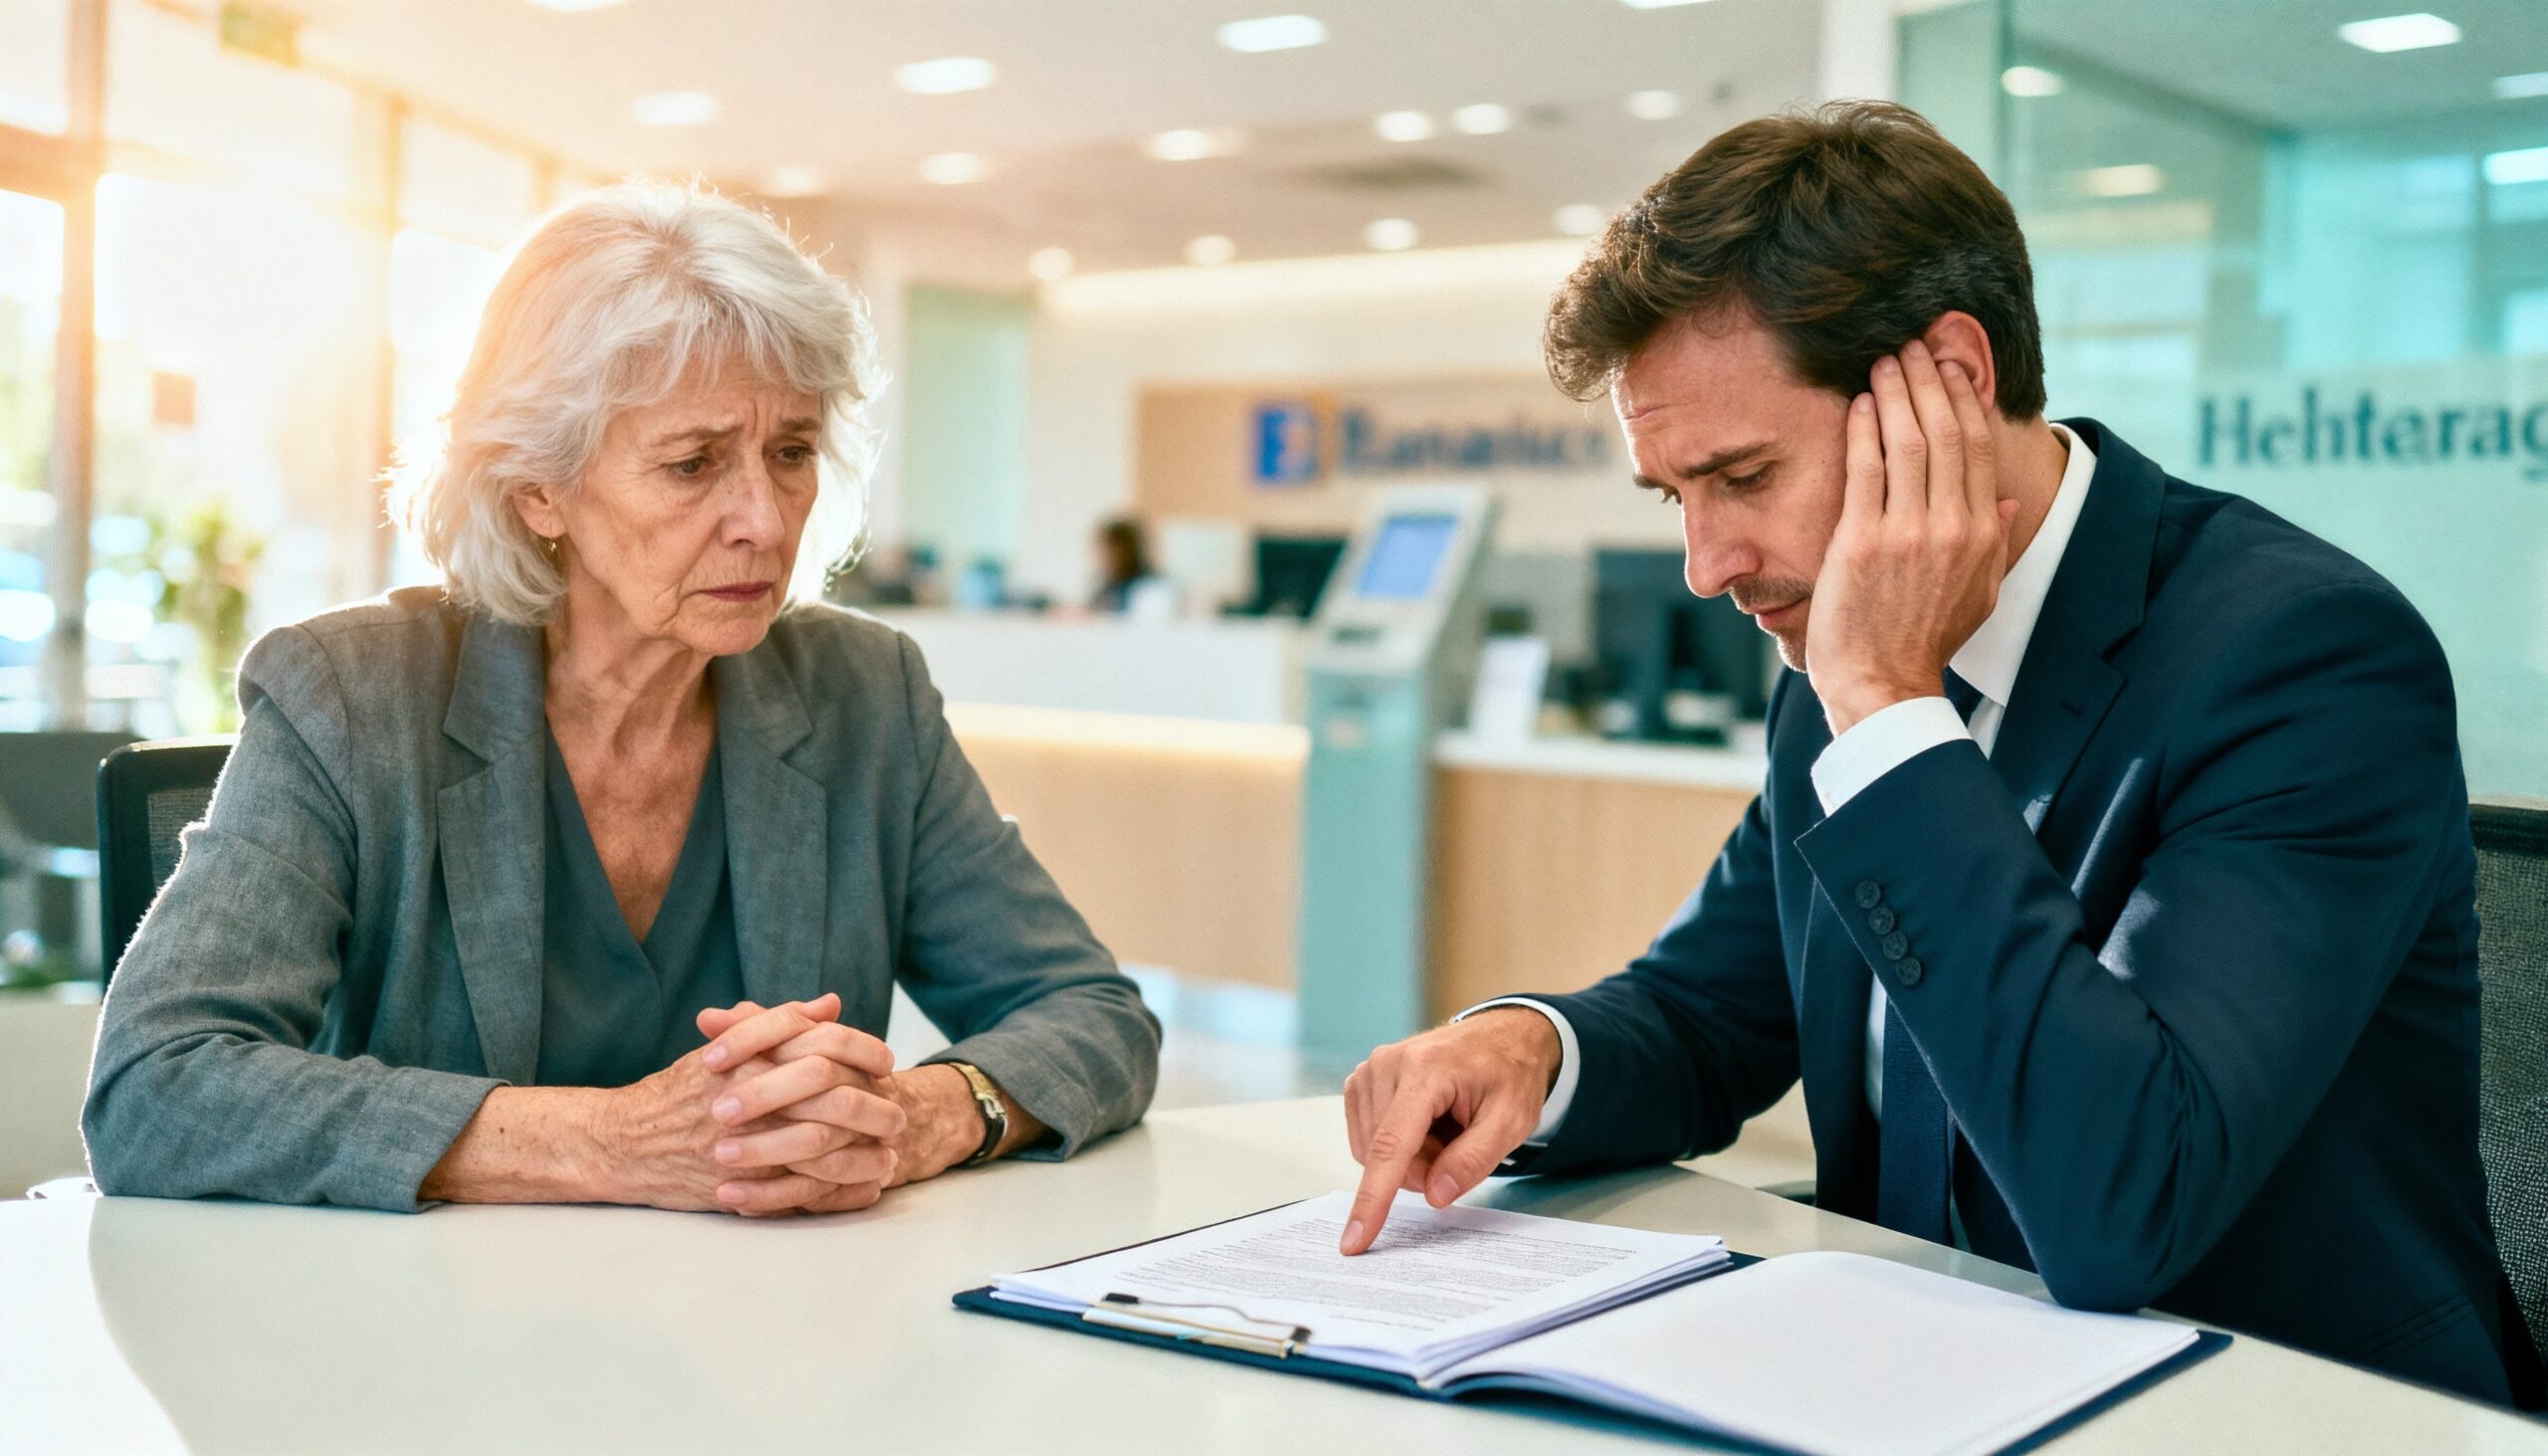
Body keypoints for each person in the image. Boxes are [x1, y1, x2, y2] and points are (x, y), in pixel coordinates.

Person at [1337, 102, 2540, 1407]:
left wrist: (1888, 706)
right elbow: (1709, 1011)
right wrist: (1532, 1045)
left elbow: (2126, 1199)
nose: (1706, 565)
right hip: (1920, 1376)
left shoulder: (2302, 656)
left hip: (2287, 1405)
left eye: (1744, 476)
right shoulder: (1836, 662)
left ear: (1952, 385)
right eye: (1675, 496)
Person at [83, 183, 1159, 1216]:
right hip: (430, 1325)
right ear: (537, 489)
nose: (765, 519)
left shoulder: (865, 695)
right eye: (693, 464)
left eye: (791, 452)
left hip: (783, 1319)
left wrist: (919, 1116)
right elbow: (156, 1084)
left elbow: (1093, 1012)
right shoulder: (350, 696)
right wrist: (614, 1140)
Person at [1087, 517, 1156, 614]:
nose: (1105, 556)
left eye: (1111, 550)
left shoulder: (1149, 587)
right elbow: (1093, 609)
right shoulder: (1108, 586)